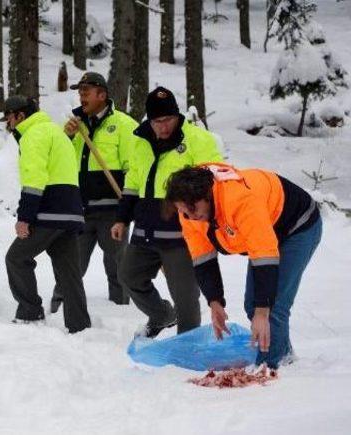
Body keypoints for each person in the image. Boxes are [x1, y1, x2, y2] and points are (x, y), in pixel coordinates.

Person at [166, 163, 322, 369]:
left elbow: (264, 255)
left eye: (193, 208)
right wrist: (214, 302)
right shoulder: (189, 212)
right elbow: (203, 258)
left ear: (208, 195)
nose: (190, 215)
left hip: (298, 226)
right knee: (253, 305)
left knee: (271, 307)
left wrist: (263, 312)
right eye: (183, 210)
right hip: (266, 230)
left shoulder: (239, 200)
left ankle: (272, 368)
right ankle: (284, 356)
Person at [111, 86, 223, 338]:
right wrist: (121, 218)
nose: (163, 126)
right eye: (157, 121)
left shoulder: (198, 140)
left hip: (183, 233)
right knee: (129, 276)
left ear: (178, 116)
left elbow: (216, 181)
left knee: (185, 297)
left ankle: (187, 345)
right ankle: (162, 314)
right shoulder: (139, 141)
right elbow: (132, 183)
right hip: (146, 228)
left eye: (168, 120)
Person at [0, 95, 91, 333]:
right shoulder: (55, 132)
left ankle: (30, 313)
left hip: (49, 211)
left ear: (20, 115)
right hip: (70, 211)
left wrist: (25, 217)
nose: (8, 125)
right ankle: (79, 325)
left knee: (16, 258)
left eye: (9, 118)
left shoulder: (34, 135)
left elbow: (34, 178)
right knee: (68, 272)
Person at [51, 72, 137, 313]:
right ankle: (59, 308)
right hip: (81, 209)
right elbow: (58, 160)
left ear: (102, 95)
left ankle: (121, 311)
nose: (82, 97)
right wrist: (66, 137)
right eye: (79, 93)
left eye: (86, 92)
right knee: (72, 263)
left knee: (118, 265)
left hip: (113, 210)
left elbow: (134, 168)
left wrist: (129, 204)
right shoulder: (73, 126)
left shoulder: (124, 125)